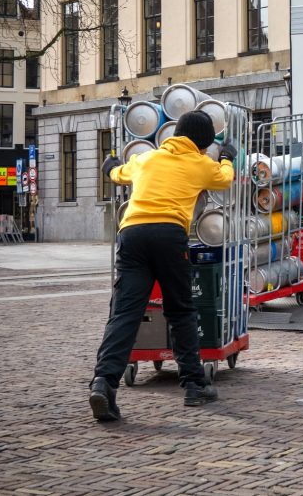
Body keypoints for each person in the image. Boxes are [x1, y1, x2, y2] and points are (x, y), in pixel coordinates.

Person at [89, 110, 236, 421]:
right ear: (202, 143)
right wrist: (226, 157)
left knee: (125, 312)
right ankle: (195, 385)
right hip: (169, 235)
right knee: (181, 311)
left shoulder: (147, 159)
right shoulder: (199, 163)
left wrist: (111, 167)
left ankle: (103, 383)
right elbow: (225, 180)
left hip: (131, 232)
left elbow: (118, 174)